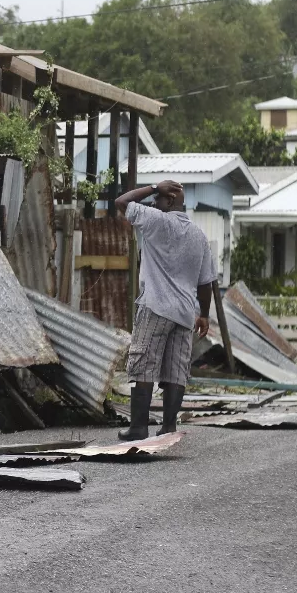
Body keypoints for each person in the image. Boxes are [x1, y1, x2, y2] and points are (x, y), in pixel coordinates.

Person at [115, 179, 218, 441]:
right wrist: (204, 314)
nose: (153, 203)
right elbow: (206, 282)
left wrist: (152, 186)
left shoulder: (157, 221)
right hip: (184, 314)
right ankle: (168, 426)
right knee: (175, 371)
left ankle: (138, 427)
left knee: (145, 365)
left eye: (158, 199)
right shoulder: (199, 236)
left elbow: (121, 202)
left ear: (170, 201)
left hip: (156, 306)